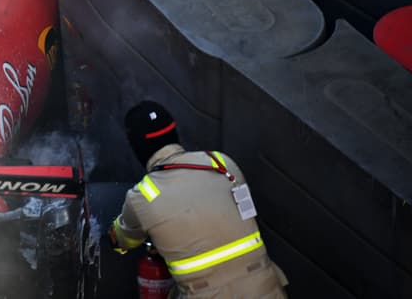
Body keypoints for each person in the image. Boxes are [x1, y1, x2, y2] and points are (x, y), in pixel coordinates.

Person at [110, 101, 289, 298]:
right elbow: (248, 214)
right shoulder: (221, 162)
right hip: (266, 289)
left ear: (136, 147)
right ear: (174, 134)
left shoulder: (142, 196)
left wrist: (113, 237)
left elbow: (123, 240)